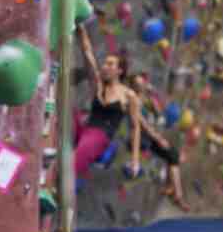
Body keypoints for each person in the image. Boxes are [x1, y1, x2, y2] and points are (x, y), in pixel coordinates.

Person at [75, 24, 142, 178]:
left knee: (77, 157)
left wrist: (135, 160)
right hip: (85, 128)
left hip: (99, 137)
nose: (104, 67)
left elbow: (135, 128)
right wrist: (81, 28)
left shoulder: (129, 95)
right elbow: (88, 54)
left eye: (110, 64)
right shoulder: (98, 85)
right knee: (70, 116)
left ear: (120, 70)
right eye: (105, 63)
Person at [128, 73, 190, 212]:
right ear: (132, 86)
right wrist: (158, 138)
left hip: (151, 135)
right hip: (143, 138)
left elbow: (159, 111)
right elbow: (142, 124)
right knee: (173, 156)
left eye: (142, 83)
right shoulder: (133, 100)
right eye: (138, 84)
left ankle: (172, 190)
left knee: (173, 157)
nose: (141, 86)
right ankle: (176, 195)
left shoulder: (145, 98)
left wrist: (152, 94)